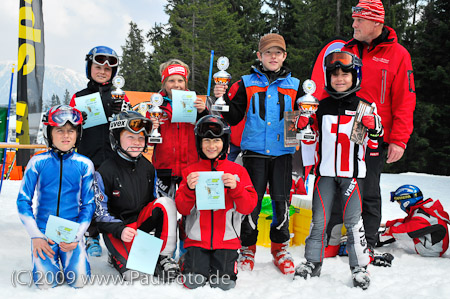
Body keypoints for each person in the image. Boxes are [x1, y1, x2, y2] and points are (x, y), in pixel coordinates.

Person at [213, 33, 303, 275]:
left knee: (281, 202)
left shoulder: (296, 85)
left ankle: (280, 248)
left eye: (278, 53)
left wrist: (303, 124)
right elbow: (233, 116)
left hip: (283, 153)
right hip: (253, 153)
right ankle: (247, 248)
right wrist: (220, 96)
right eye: (268, 52)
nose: (273, 57)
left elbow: (302, 118)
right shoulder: (245, 82)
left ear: (285, 56)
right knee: (250, 203)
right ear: (259, 56)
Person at [293, 51, 383, 290]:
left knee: (354, 223)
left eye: (345, 74)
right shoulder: (320, 106)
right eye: (335, 75)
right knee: (318, 221)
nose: (340, 79)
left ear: (355, 76)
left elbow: (374, 144)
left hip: (352, 176)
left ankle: (360, 267)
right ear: (327, 77)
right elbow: (304, 137)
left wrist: (375, 128)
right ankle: (312, 262)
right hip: (324, 175)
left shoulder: (364, 107)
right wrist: (300, 124)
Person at [339, 0, 417, 259]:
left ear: (375, 22)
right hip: (341, 131)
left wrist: (399, 140)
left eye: (359, 20)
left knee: (369, 188)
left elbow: (405, 100)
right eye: (353, 19)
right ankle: (339, 236)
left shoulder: (398, 55)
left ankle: (367, 243)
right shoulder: (345, 49)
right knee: (340, 185)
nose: (354, 24)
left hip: (374, 133)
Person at [94, 111, 179, 281]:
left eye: (141, 138)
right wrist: (120, 230)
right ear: (117, 138)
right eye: (130, 137)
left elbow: (154, 206)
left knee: (166, 202)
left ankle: (164, 257)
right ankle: (117, 256)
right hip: (118, 230)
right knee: (135, 275)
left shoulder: (148, 168)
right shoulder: (104, 171)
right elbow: (99, 214)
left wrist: (154, 237)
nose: (136, 143)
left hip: (139, 226)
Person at [17, 105, 95, 289]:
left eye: (71, 131)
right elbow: (23, 200)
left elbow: (89, 204)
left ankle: (78, 255)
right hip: (44, 232)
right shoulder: (37, 162)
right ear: (49, 133)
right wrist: (36, 236)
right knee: (45, 284)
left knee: (79, 282)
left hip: (72, 230)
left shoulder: (85, 164)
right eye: (59, 130)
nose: (66, 135)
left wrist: (77, 236)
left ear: (78, 134)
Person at [175, 115, 258, 290]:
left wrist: (236, 188)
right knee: (193, 282)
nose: (211, 146)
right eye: (206, 140)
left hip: (227, 240)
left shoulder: (237, 171)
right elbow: (182, 208)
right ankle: (189, 260)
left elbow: (248, 206)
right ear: (199, 142)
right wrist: (189, 190)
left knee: (224, 284)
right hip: (197, 240)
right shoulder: (191, 172)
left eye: (217, 141)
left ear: (225, 142)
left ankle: (222, 265)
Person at [70, 45, 130, 257]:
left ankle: (116, 237)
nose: (103, 71)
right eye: (98, 67)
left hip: (114, 159)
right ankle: (91, 235)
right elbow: (67, 132)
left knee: (114, 199)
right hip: (88, 156)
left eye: (108, 69)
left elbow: (130, 127)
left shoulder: (120, 96)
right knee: (88, 198)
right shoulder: (78, 97)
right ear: (90, 67)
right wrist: (77, 122)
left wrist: (122, 112)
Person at [151, 59, 208, 199]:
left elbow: (208, 134)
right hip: (164, 169)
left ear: (186, 82)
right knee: (165, 210)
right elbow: (149, 142)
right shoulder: (155, 106)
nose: (176, 85)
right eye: (171, 81)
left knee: (190, 210)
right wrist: (150, 128)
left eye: (180, 80)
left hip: (191, 168)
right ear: (164, 83)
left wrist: (203, 113)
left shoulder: (195, 103)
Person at [377, 185, 450, 257]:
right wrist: (387, 224)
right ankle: (379, 237)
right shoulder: (424, 210)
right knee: (397, 228)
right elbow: (408, 222)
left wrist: (390, 231)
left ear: (406, 202)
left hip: (430, 250)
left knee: (398, 232)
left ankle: (375, 239)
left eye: (399, 202)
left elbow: (407, 231)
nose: (399, 205)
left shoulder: (422, 216)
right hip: (433, 245)